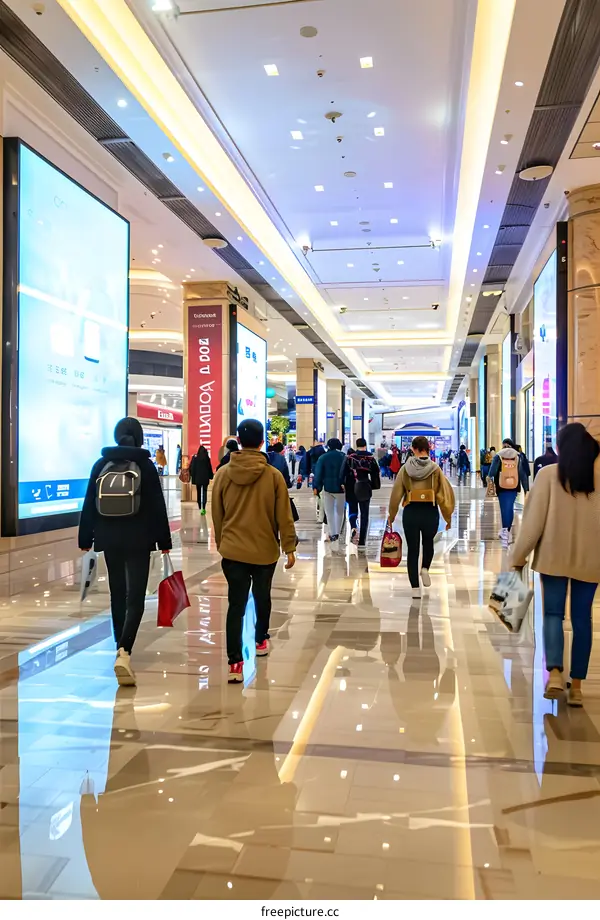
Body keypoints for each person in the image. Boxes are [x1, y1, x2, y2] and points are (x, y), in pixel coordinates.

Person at [511, 423, 600, 707]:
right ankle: (578, 687)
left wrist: (518, 556)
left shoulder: (548, 475)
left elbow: (533, 523)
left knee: (552, 615)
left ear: (560, 448)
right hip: (591, 559)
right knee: (582, 619)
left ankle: (556, 674)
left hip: (553, 558)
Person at [78, 417, 172, 687]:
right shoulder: (145, 465)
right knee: (136, 597)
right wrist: (164, 541)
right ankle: (124, 650)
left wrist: (86, 538)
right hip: (139, 540)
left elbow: (89, 504)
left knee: (117, 594)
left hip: (108, 539)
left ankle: (120, 646)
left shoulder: (101, 464)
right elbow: (157, 506)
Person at [212, 419, 296, 683]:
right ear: (262, 442)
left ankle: (235, 662)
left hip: (233, 551)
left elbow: (217, 513)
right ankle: (260, 640)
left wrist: (221, 540)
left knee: (235, 604)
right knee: (262, 597)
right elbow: (284, 516)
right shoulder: (273, 476)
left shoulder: (224, 474)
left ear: (238, 439)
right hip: (265, 551)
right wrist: (289, 547)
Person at [388, 436, 455, 599]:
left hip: (411, 511)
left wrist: (392, 514)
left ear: (413, 449)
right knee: (428, 544)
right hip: (429, 511)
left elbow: (396, 493)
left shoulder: (405, 469)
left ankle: (415, 589)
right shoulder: (435, 469)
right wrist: (448, 517)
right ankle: (425, 568)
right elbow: (444, 494)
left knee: (413, 549)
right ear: (428, 448)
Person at [488, 437, 529, 546]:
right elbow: (523, 474)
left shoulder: (499, 455)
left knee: (504, 508)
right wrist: (526, 489)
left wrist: (490, 480)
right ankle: (507, 530)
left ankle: (505, 531)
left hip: (501, 487)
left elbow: (492, 472)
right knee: (510, 507)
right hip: (514, 486)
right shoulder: (518, 456)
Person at [346, 438, 381, 550]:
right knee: (365, 513)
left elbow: (344, 472)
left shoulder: (351, 458)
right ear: (365, 445)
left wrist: (343, 484)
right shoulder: (370, 458)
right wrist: (374, 485)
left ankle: (353, 527)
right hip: (365, 486)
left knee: (352, 510)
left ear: (356, 445)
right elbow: (376, 473)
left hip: (352, 486)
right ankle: (362, 540)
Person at [313, 438, 346, 550]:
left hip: (327, 487)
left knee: (329, 511)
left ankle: (332, 533)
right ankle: (337, 532)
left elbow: (318, 473)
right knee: (340, 511)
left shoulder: (323, 457)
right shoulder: (343, 456)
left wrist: (317, 486)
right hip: (341, 488)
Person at [188, 443, 213, 515]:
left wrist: (192, 475)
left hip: (198, 479)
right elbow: (209, 468)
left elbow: (192, 468)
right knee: (204, 493)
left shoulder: (195, 458)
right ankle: (204, 508)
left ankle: (199, 508)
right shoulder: (207, 458)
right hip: (205, 479)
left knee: (198, 494)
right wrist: (210, 476)